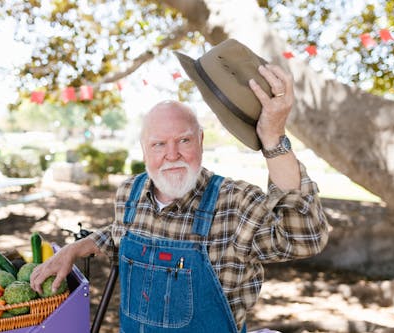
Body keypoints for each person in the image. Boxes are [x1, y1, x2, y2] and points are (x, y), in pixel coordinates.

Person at [30, 41, 329, 333]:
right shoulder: (129, 193)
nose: (171, 155)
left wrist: (273, 138)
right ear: (144, 149)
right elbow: (122, 233)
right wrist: (77, 247)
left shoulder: (235, 202)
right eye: (159, 144)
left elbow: (305, 237)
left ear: (200, 140)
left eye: (183, 141)